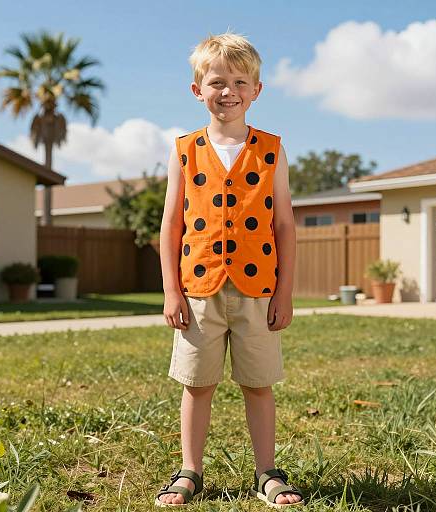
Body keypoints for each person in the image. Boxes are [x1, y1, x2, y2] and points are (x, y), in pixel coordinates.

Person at [156, 32, 304, 508]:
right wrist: (171, 292)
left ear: (256, 90)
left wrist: (284, 293)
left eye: (240, 81)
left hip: (259, 287)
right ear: (197, 89)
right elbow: (170, 226)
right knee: (197, 384)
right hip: (198, 287)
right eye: (217, 81)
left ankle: (268, 473)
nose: (228, 90)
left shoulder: (272, 150)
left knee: (258, 383)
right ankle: (189, 471)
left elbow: (284, 224)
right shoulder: (184, 150)